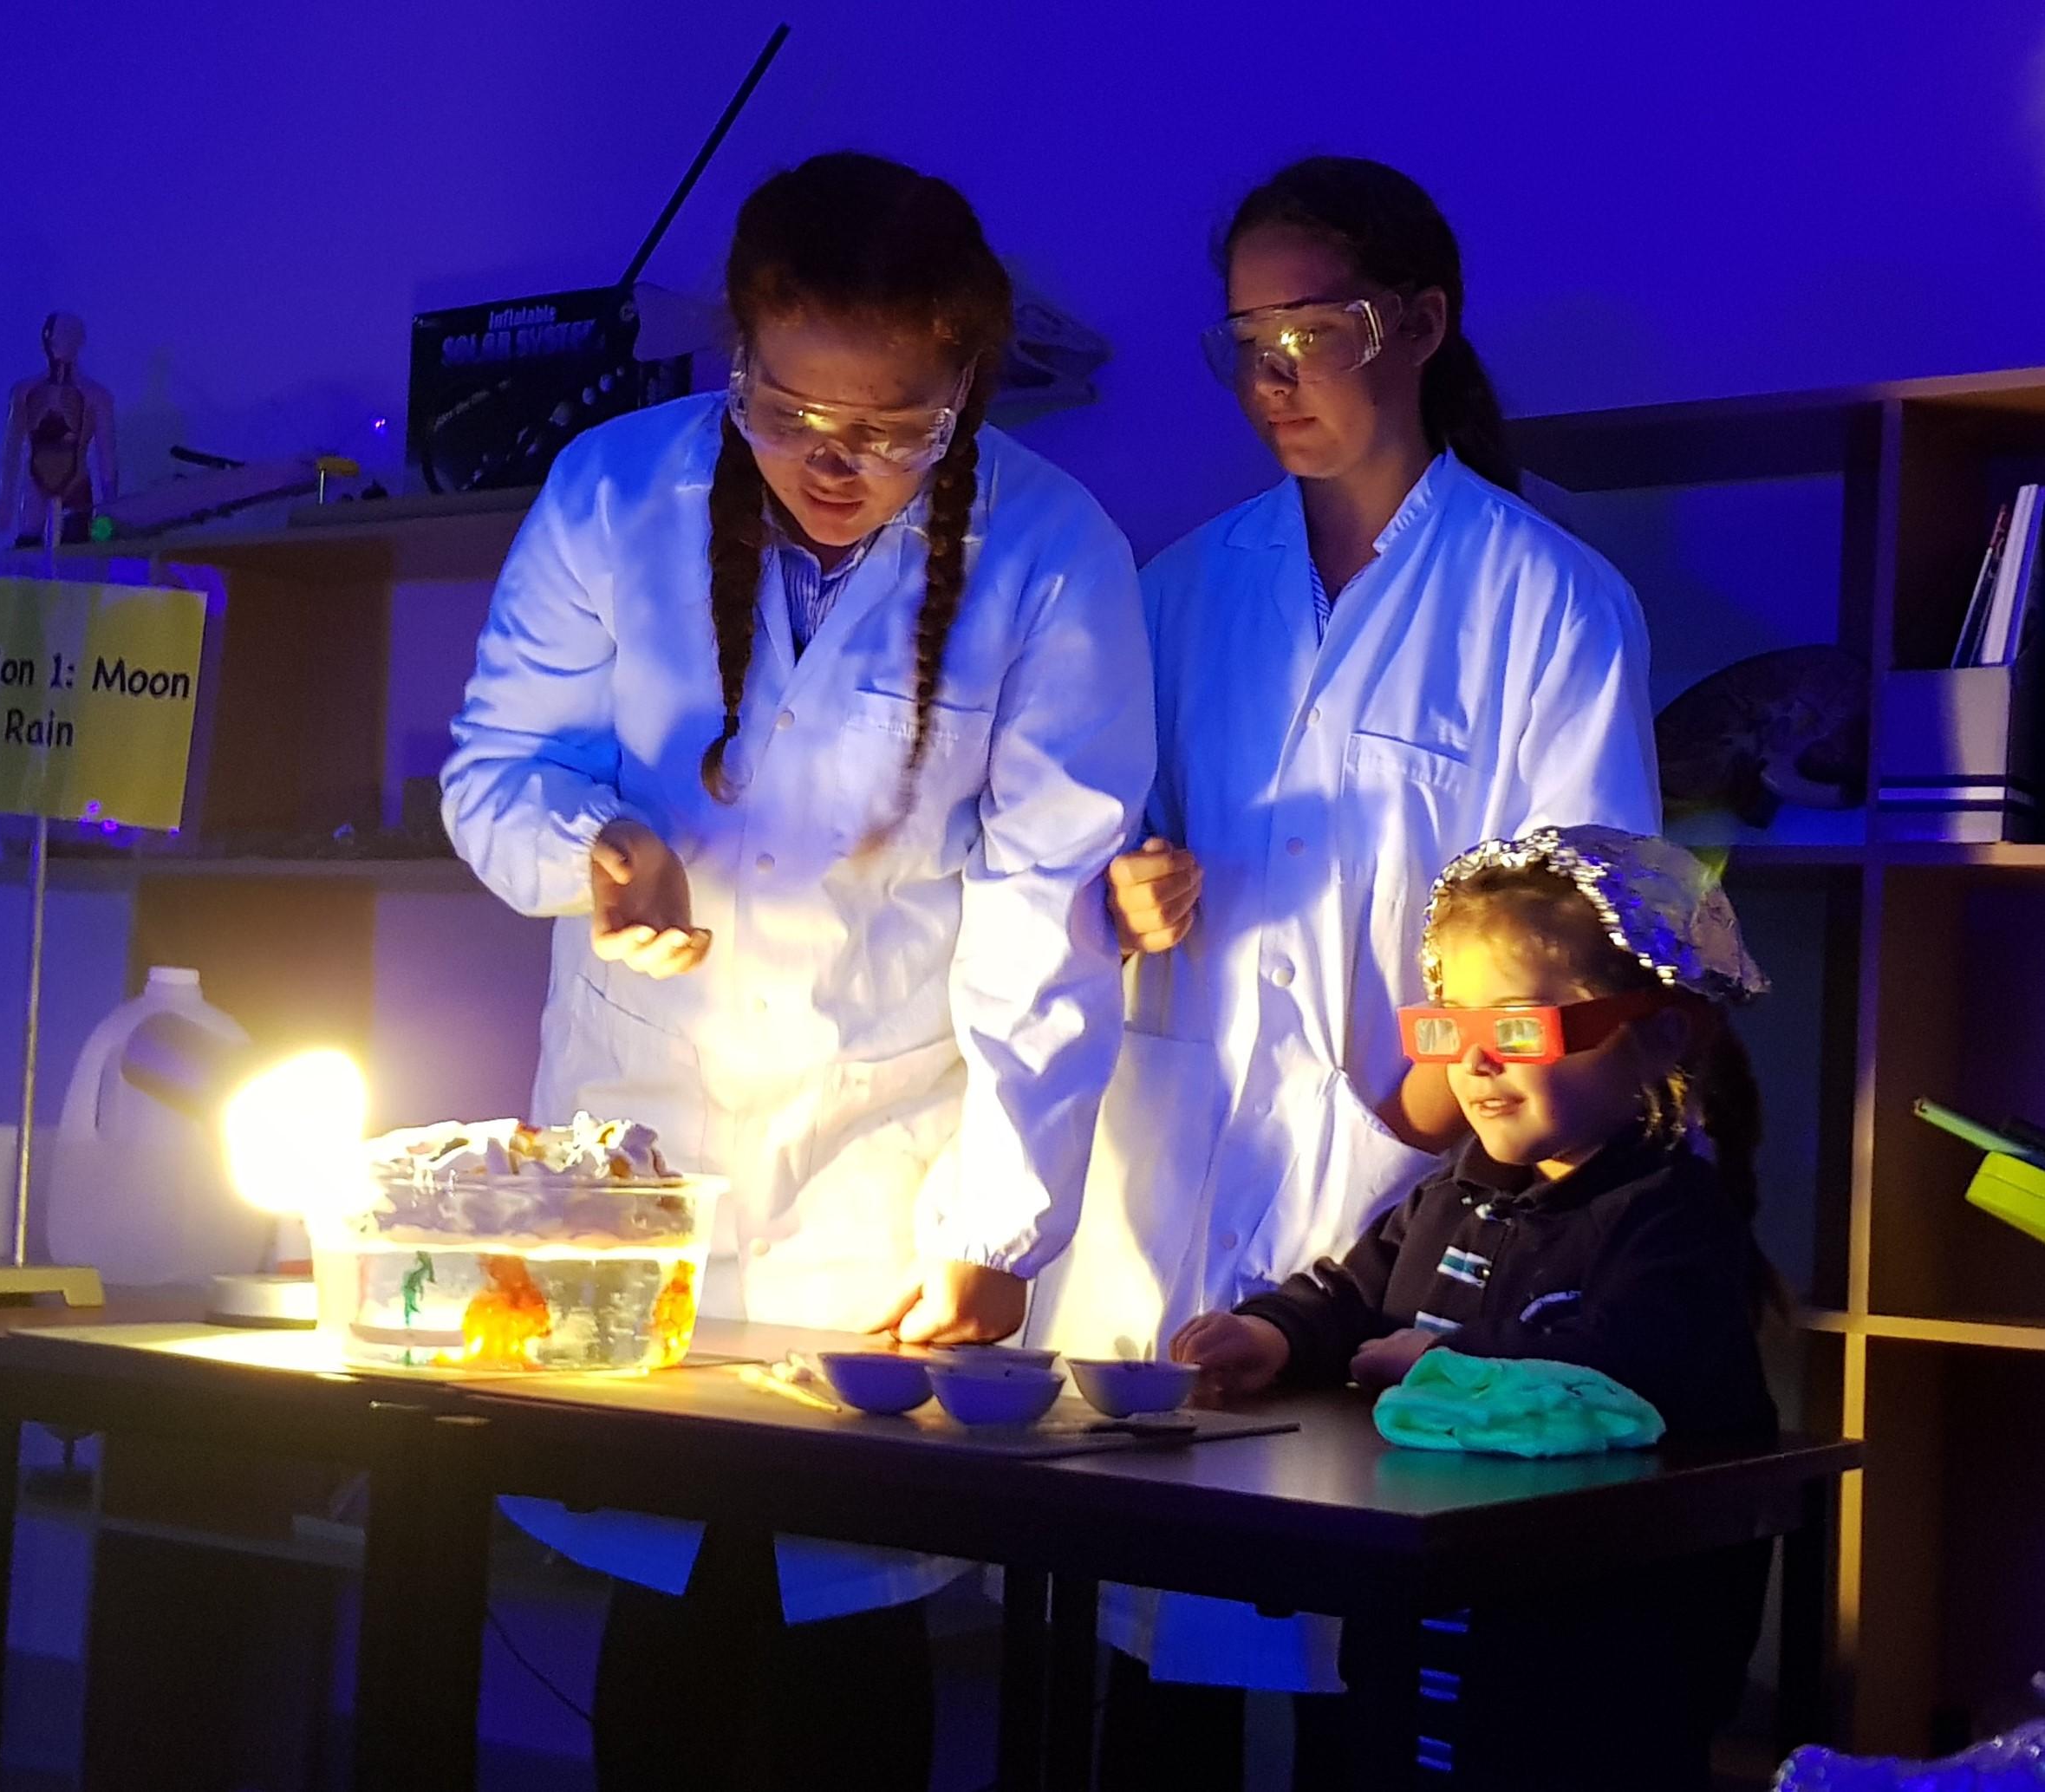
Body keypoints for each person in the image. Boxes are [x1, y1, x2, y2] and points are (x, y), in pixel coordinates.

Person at [440, 151, 1153, 1791]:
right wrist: (594, 848)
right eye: (787, 412)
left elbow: (1046, 906)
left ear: (966, 385)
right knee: (661, 1593)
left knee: (847, 1599)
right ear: (736, 353)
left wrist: (997, 1228)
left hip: (882, 1173)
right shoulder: (613, 493)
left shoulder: (1052, 548)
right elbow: (492, 774)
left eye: (894, 428)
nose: (835, 464)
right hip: (642, 1137)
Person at [1022, 155, 1662, 1782]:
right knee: (1148, 1662)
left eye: (1314, 328)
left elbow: (1584, 934)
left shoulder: (1548, 604)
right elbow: (1080, 836)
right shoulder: (1177, 589)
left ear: (1420, 323)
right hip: (1169, 1179)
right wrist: (1128, 881)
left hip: (1401, 1185)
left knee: (1359, 1666)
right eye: (1246, 340)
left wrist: (1428, 1103)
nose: (1274, 374)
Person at [1180, 824, 1780, 1791]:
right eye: (1448, 1029)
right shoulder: (1452, 1193)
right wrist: (1271, 1334)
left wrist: (1443, 1364)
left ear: (1659, 1033)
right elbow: (1353, 1295)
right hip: (1418, 1615)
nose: (1474, 1062)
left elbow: (1625, 1365)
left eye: (1515, 1028)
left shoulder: (1670, 1218)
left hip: (1584, 1659)